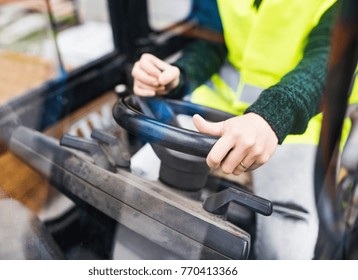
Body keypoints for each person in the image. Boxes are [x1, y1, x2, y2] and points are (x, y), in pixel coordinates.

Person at [131, 0, 341, 259]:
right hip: (212, 109)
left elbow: (329, 61)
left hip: (295, 122)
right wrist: (179, 76)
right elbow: (212, 42)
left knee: (288, 247)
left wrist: (272, 117)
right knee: (135, 179)